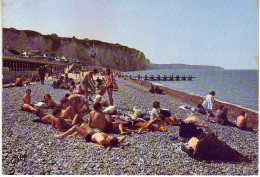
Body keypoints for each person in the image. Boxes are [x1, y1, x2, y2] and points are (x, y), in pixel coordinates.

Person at [181, 132, 249, 162]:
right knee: (230, 151)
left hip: (216, 152)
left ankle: (238, 158)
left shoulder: (200, 143)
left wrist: (190, 150)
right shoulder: (210, 135)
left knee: (190, 152)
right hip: (222, 146)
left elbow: (195, 154)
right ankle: (240, 156)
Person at [54, 123, 126, 147]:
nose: (110, 135)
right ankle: (75, 134)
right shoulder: (108, 138)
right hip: (93, 133)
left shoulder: (103, 140)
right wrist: (118, 141)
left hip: (89, 136)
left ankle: (62, 136)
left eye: (111, 137)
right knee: (82, 125)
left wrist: (110, 144)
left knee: (75, 127)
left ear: (110, 141)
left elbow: (101, 142)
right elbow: (123, 137)